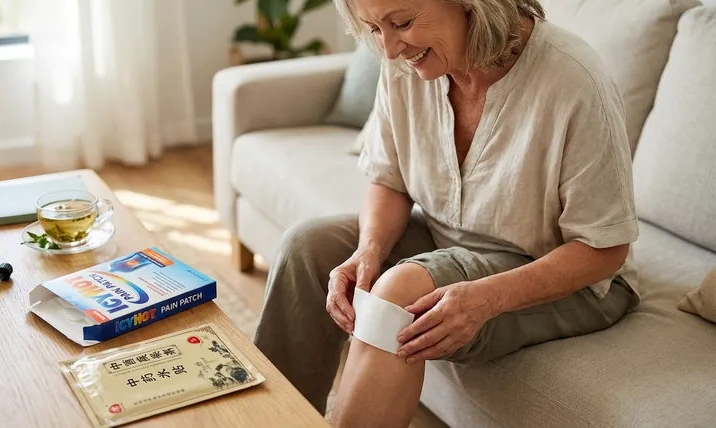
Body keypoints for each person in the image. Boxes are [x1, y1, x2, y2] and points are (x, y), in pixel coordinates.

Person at [253, 0, 641, 426]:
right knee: (307, 248)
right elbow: (389, 178)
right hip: (447, 236)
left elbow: (605, 249)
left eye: (401, 23)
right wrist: (368, 250)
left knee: (400, 292)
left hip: (565, 274)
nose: (389, 49)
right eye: (374, 30)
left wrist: (487, 298)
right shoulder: (405, 64)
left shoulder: (573, 79)